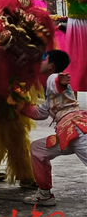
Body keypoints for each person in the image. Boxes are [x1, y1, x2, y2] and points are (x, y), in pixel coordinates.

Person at [21, 50, 87, 206]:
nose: (40, 62)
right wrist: (19, 103)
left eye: (44, 60)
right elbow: (39, 113)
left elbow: (57, 82)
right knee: (38, 149)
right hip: (67, 134)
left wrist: (60, 81)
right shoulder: (50, 95)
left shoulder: (52, 78)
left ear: (51, 66)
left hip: (77, 130)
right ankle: (44, 195)